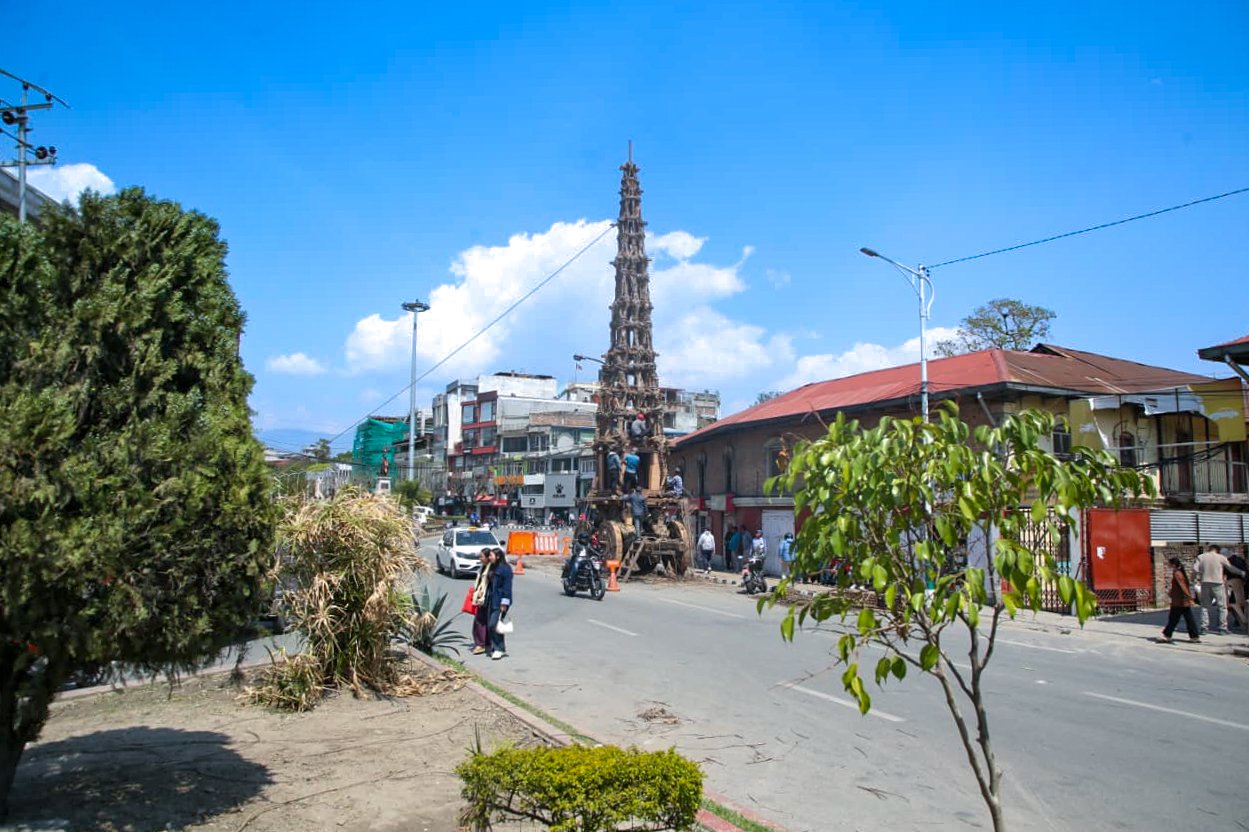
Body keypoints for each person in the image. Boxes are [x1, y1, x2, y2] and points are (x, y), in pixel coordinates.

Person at [1194, 543, 1244, 635]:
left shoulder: (1201, 557)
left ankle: (1204, 628)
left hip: (1205, 583)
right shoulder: (1221, 558)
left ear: (1209, 549)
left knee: (1205, 607)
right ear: (1217, 550)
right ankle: (1222, 628)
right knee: (1222, 607)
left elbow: (1195, 569)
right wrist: (1241, 572)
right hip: (1218, 584)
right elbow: (1231, 568)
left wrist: (1193, 578)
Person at [1160, 556, 1201, 643]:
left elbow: (1183, 586)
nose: (1168, 565)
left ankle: (1167, 635)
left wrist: (1189, 597)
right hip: (1181, 600)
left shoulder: (1177, 573)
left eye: (1169, 563)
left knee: (1173, 618)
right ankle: (1194, 636)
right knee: (1188, 618)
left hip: (1179, 601)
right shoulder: (1179, 572)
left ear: (1173, 564)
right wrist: (1171, 592)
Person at [486, 548, 513, 660]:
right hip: (491, 600)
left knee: (494, 624)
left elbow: (507, 587)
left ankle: (499, 649)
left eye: (491, 555)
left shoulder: (505, 569)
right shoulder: (492, 567)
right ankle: (496, 646)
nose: (489, 558)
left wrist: (504, 603)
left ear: (497, 557)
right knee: (492, 625)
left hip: (500, 601)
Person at [470, 547, 496, 655]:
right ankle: (487, 643)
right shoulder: (482, 568)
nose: (479, 558)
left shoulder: (492, 570)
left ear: (487, 558)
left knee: (480, 622)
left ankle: (481, 644)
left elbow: (494, 585)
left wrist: (483, 593)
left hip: (488, 599)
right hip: (481, 599)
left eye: (481, 556)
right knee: (483, 621)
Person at [1227, 552, 1247, 632]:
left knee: (1233, 603)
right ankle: (1240, 620)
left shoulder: (1230, 561)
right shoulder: (1239, 560)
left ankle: (1241, 620)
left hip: (1232, 583)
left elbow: (1230, 570)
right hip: (1240, 582)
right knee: (1239, 602)